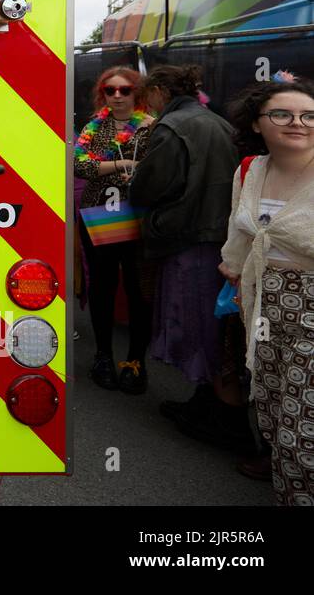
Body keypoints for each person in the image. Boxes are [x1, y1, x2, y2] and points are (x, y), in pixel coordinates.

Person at [129, 64, 245, 449]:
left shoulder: (173, 125)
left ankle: (221, 416)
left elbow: (149, 187)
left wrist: (136, 181)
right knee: (213, 328)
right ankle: (208, 402)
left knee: (196, 325)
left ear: (161, 90)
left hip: (188, 235)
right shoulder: (215, 121)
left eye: (149, 94)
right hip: (216, 234)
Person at [220, 74, 314, 505]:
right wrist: (236, 274)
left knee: (303, 433)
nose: (298, 122)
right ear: (258, 123)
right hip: (262, 309)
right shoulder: (251, 169)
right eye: (282, 113)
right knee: (275, 417)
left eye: (309, 115)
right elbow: (239, 236)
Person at [74, 66, 156, 393]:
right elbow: (80, 164)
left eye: (126, 90)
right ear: (103, 93)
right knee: (103, 287)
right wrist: (123, 165)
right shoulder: (95, 126)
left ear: (138, 93)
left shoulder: (152, 127)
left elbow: (160, 168)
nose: (118, 96)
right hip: (101, 214)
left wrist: (136, 171)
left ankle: (136, 361)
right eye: (111, 90)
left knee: (138, 290)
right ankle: (103, 356)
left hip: (139, 215)